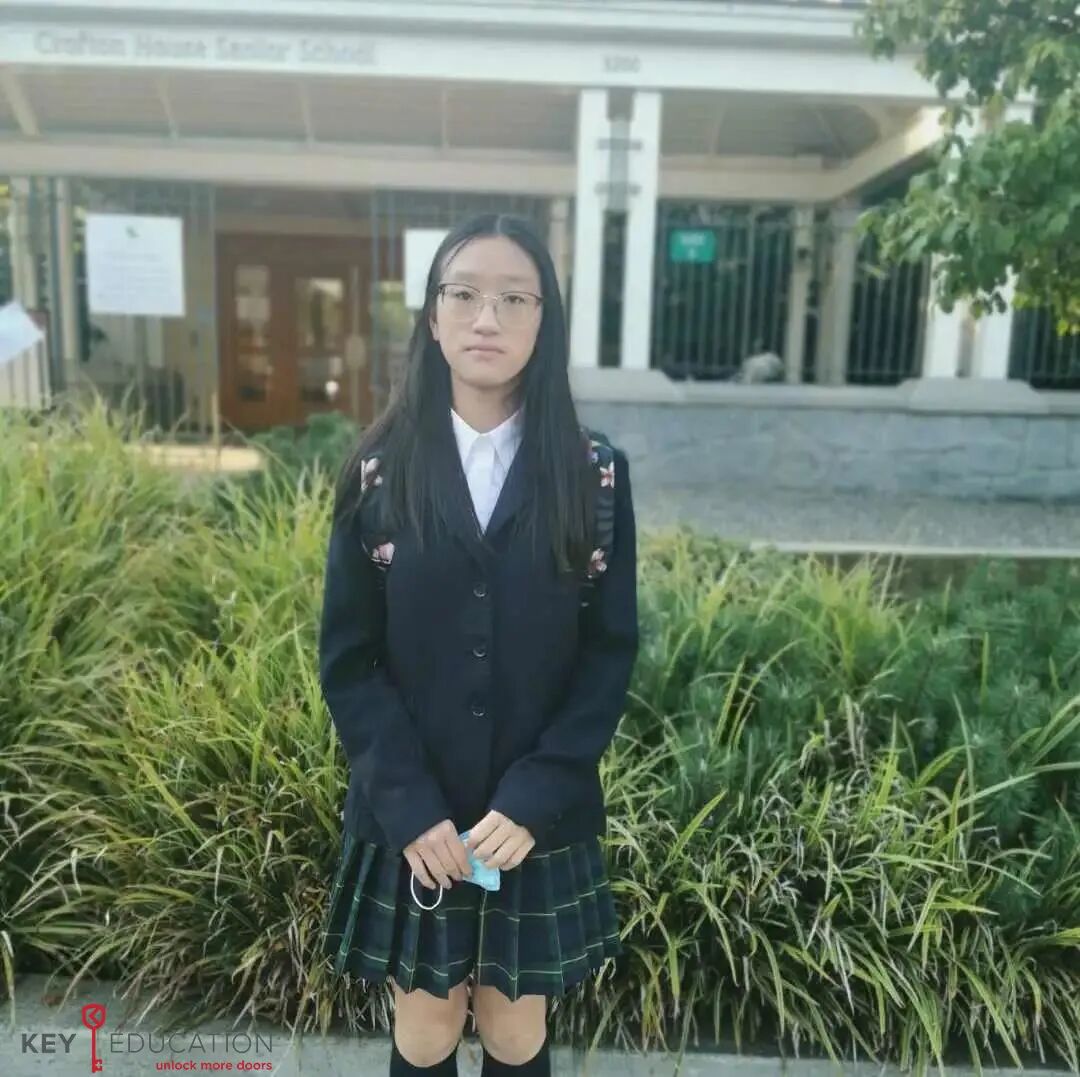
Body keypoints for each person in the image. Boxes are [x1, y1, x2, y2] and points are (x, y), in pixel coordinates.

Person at [318, 212, 639, 1077]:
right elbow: (349, 659)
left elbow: (608, 653)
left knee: (512, 1028)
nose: (486, 318)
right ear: (433, 316)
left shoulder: (593, 473)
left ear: (544, 320)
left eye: (513, 299)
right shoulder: (379, 470)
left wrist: (538, 795)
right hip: (414, 811)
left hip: (531, 816)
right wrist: (408, 805)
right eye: (463, 295)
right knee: (425, 1029)